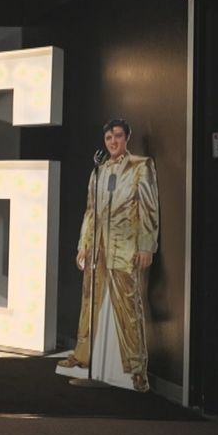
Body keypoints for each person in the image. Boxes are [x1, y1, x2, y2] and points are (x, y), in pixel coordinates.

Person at [58, 118, 159, 392]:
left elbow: (148, 208)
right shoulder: (98, 171)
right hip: (98, 248)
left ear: (127, 137)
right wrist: (83, 244)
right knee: (89, 300)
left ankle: (137, 369)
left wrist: (147, 245)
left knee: (129, 306)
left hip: (125, 247)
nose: (113, 142)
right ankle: (82, 355)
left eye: (117, 136)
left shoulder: (141, 166)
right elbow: (91, 211)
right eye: (108, 138)